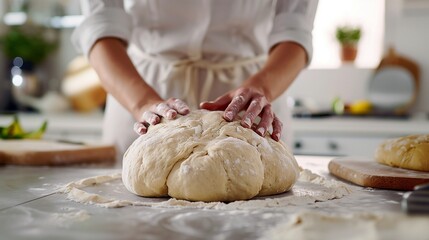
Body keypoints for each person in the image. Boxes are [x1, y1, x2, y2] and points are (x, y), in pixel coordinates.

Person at [72, 0, 318, 157]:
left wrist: (263, 86)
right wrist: (142, 104)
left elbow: (295, 30)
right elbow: (99, 27)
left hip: (249, 108)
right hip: (140, 96)